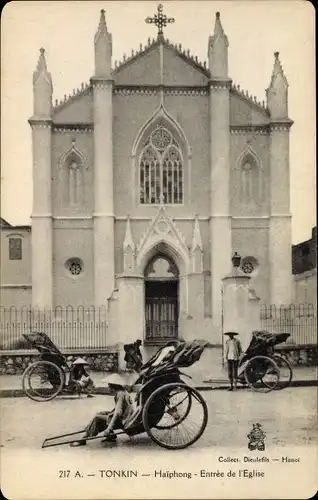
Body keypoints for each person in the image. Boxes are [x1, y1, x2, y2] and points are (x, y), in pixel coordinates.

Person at [70, 373, 139, 447]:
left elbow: (118, 413)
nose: (108, 386)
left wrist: (109, 428)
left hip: (124, 420)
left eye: (109, 384)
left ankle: (83, 439)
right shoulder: (123, 392)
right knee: (101, 413)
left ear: (113, 385)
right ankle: (110, 435)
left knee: (97, 418)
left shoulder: (120, 394)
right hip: (126, 416)